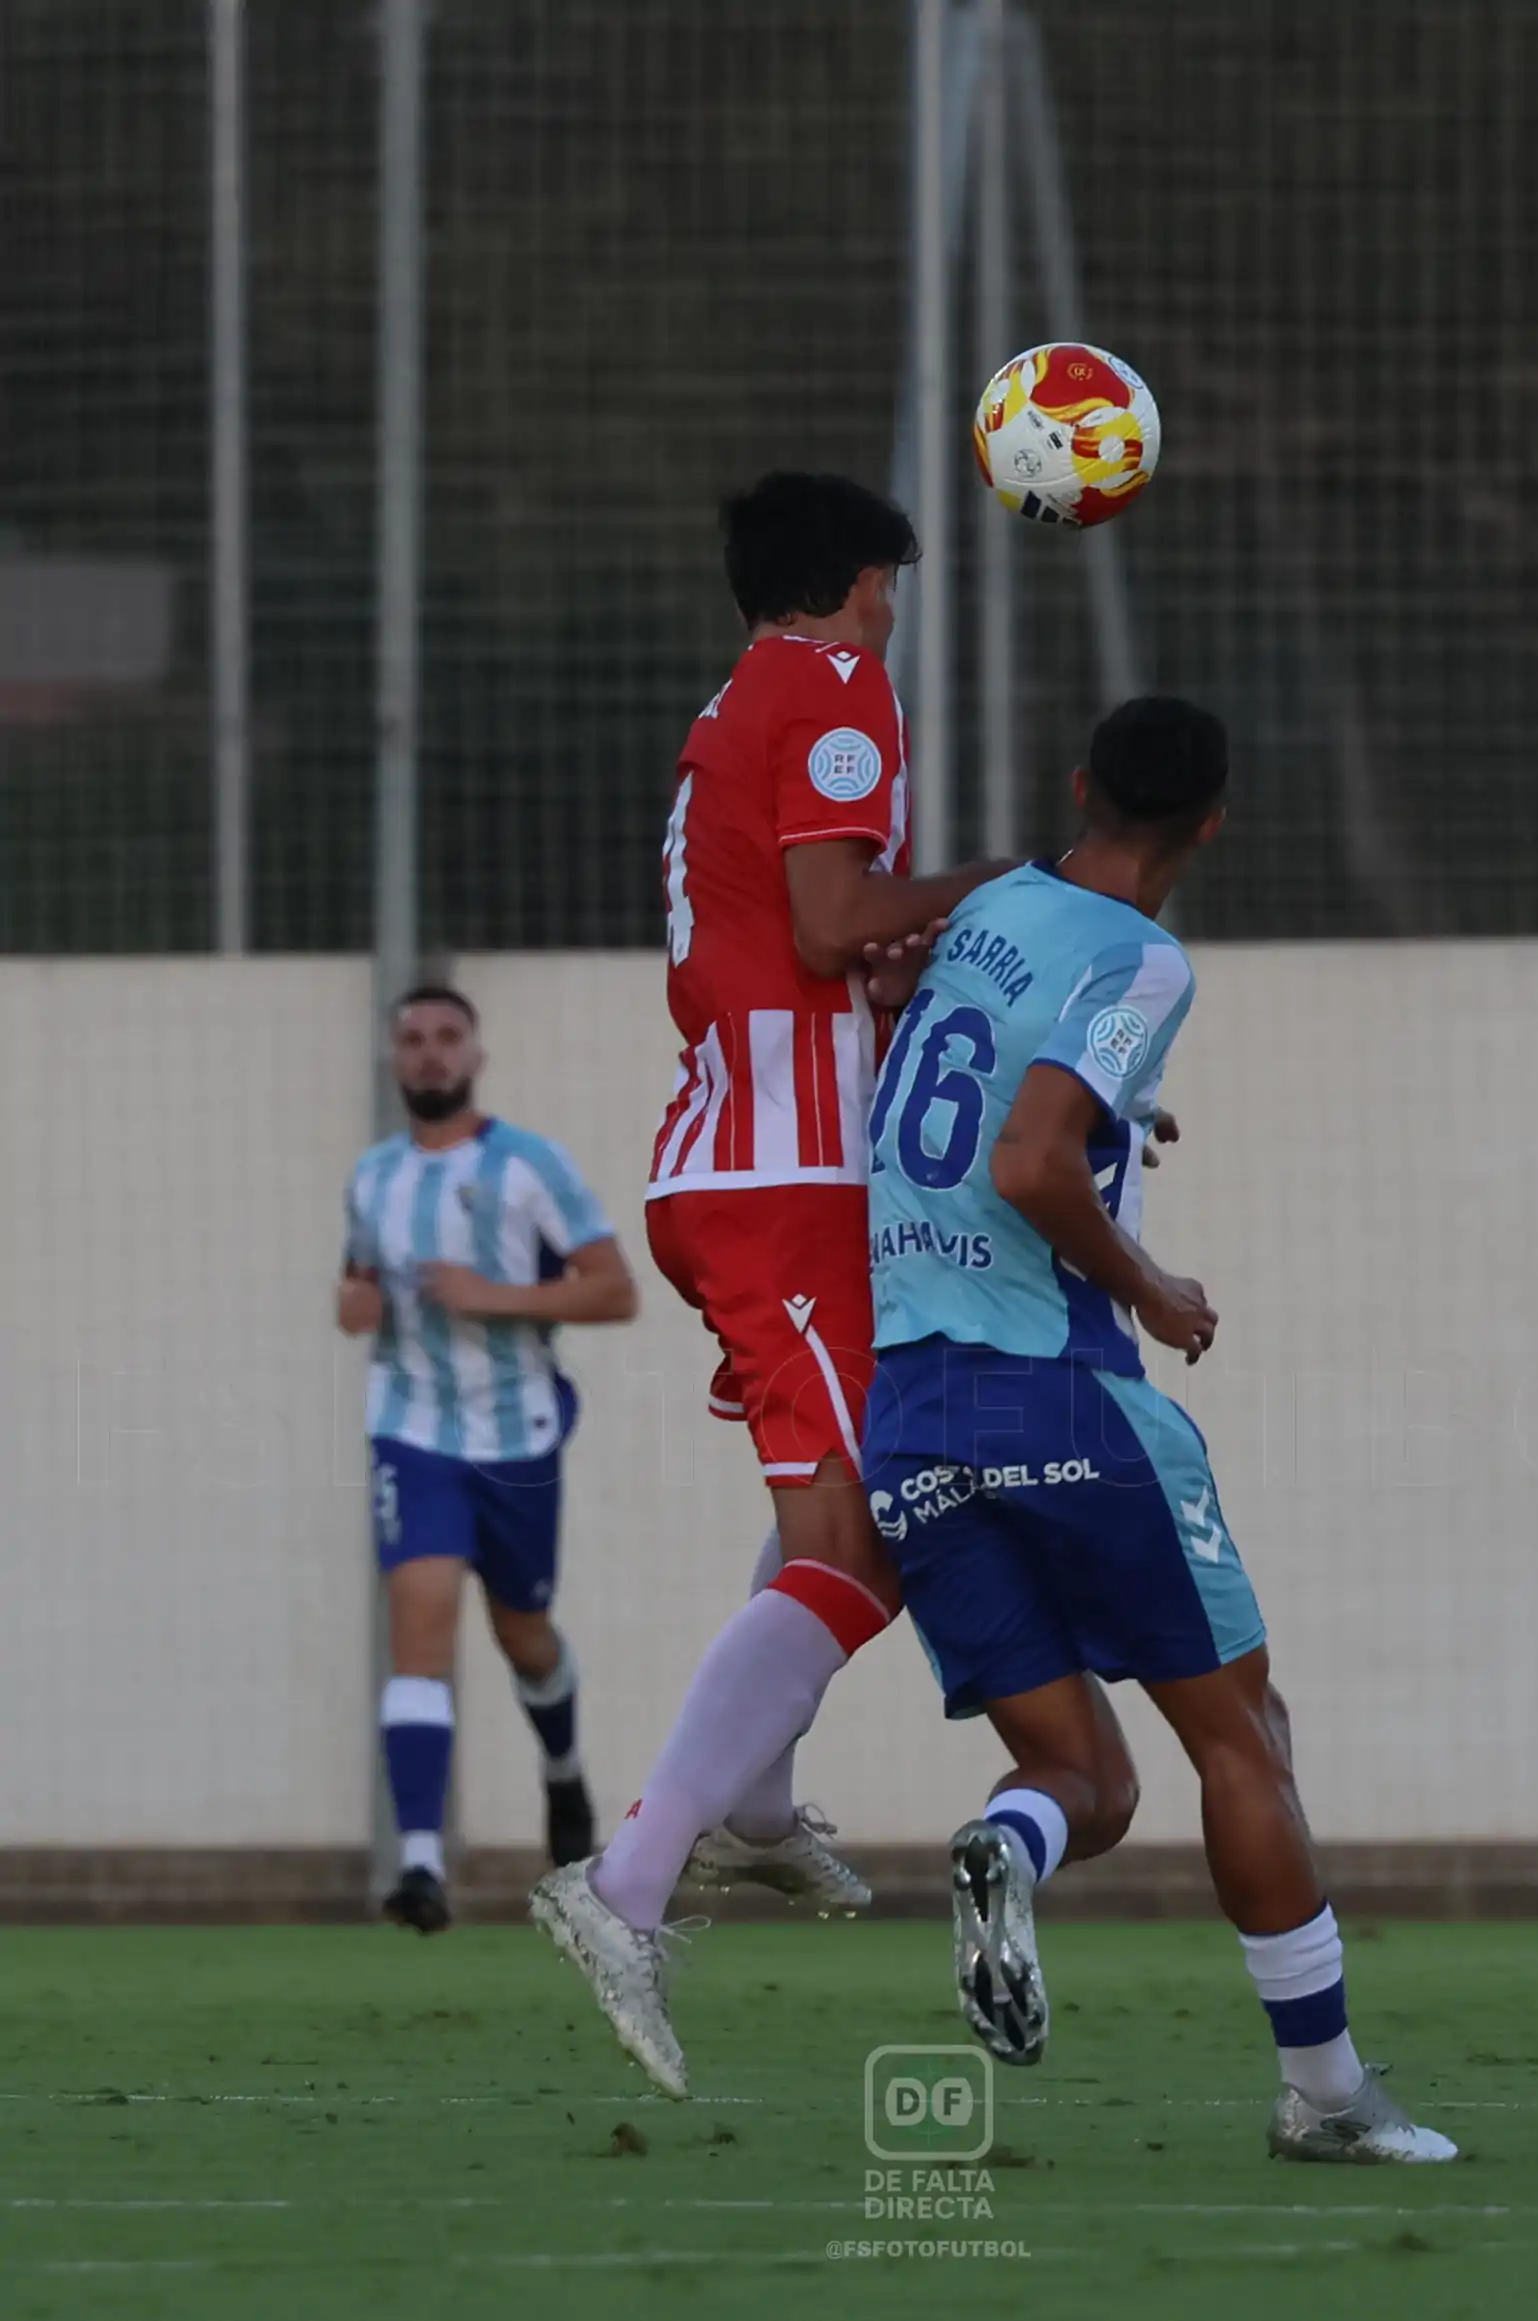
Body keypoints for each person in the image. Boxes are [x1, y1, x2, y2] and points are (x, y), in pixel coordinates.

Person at [860, 697, 1458, 2163]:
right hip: (1056, 1391)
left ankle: (1007, 1849)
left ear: (1076, 786)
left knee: (1088, 1779)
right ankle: (1323, 2098)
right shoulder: (1144, 957)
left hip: (911, 1416)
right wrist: (1157, 1289)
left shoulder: (997, 901)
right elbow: (1029, 1156)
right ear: (1214, 822)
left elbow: (938, 1062)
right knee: (1241, 1736)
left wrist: (1120, 1122)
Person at [531, 472, 1011, 2094]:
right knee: (872, 1540)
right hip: (783, 1175)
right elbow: (825, 919)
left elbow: (794, 929)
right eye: (889, 583)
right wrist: (1001, 886)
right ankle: (626, 1880)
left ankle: (744, 1813)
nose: (894, 611)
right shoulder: (832, 685)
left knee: (851, 1513)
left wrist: (893, 945)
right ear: (854, 584)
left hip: (749, 1160)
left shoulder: (735, 698)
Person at [339, 986, 637, 1933]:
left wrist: (492, 1296)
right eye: (413, 1040)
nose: (429, 1055)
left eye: (446, 1038)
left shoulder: (527, 1165)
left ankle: (562, 1769)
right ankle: (421, 1864)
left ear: (475, 1054)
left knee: (524, 1635)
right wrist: (356, 1306)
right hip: (413, 1432)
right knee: (419, 1622)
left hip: (516, 1440)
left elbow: (614, 1290)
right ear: (394, 1059)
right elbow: (355, 1282)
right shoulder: (372, 1176)